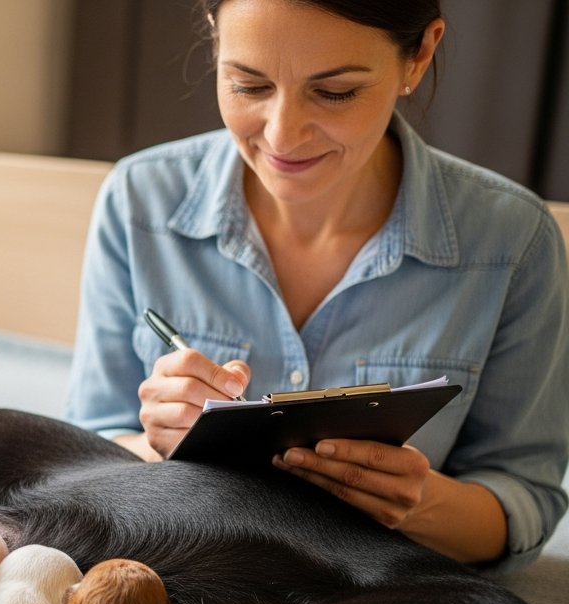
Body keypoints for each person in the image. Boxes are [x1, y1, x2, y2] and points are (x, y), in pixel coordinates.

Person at [65, 0, 569, 573]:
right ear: (213, 38)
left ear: (419, 55)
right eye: (248, 84)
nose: (283, 135)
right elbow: (83, 454)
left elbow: (525, 498)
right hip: (186, 581)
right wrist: (156, 447)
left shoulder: (512, 243)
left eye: (334, 93)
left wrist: (422, 504)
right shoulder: (139, 202)